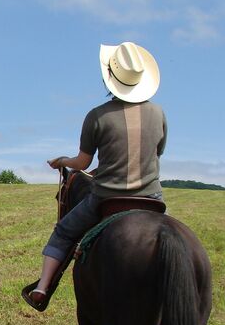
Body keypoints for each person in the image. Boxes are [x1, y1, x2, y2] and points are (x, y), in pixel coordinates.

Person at [22, 41, 166, 311]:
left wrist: (61, 161)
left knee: (63, 233)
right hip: (152, 197)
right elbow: (155, 154)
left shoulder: (97, 116)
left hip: (107, 198)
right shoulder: (159, 113)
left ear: (109, 77)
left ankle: (41, 289)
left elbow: (83, 162)